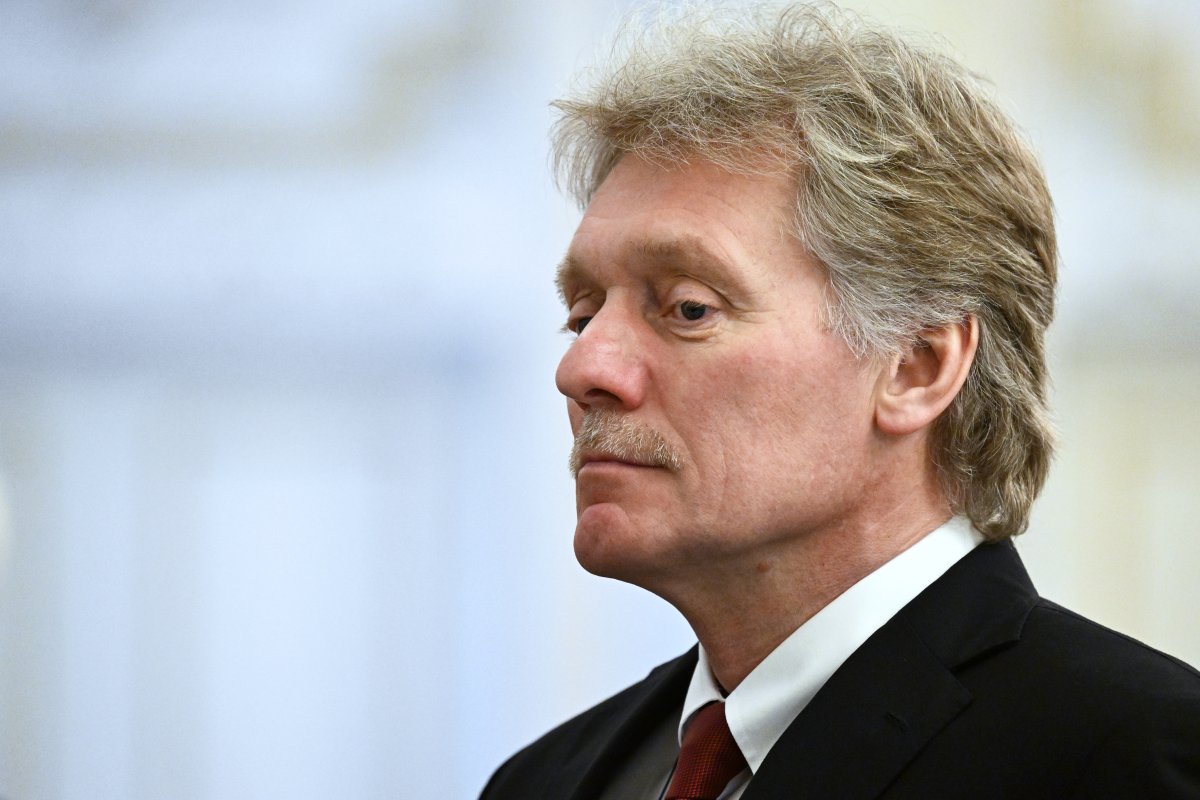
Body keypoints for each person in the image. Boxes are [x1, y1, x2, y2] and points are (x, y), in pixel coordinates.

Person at [482, 4, 1200, 798]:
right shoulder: (542, 782)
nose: (583, 367)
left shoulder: (1136, 759)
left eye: (688, 307)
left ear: (917, 367)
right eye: (582, 315)